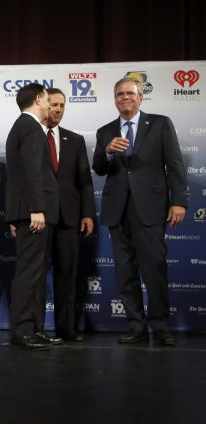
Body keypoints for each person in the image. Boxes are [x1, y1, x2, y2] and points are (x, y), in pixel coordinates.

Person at [93, 77, 186, 346]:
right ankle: (135, 326)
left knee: (154, 269)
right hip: (117, 209)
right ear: (115, 100)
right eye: (120, 94)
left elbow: (175, 164)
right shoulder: (105, 131)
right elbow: (99, 167)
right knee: (125, 272)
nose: (125, 97)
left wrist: (179, 201)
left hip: (151, 208)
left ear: (140, 98)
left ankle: (160, 326)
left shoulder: (160, 124)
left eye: (130, 93)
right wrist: (108, 152)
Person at [37, 88, 95, 342]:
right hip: (38, 217)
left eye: (62, 105)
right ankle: (35, 328)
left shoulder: (75, 139)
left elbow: (85, 181)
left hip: (69, 218)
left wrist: (88, 213)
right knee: (36, 275)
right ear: (42, 105)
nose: (58, 109)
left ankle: (66, 328)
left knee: (67, 274)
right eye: (53, 104)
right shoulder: (31, 137)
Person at [4, 82, 57, 350]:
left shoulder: (23, 126)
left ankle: (34, 328)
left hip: (27, 210)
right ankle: (23, 331)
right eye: (47, 100)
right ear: (38, 99)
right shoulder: (30, 126)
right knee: (29, 272)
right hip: (33, 211)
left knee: (35, 272)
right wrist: (37, 208)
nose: (50, 105)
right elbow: (31, 170)